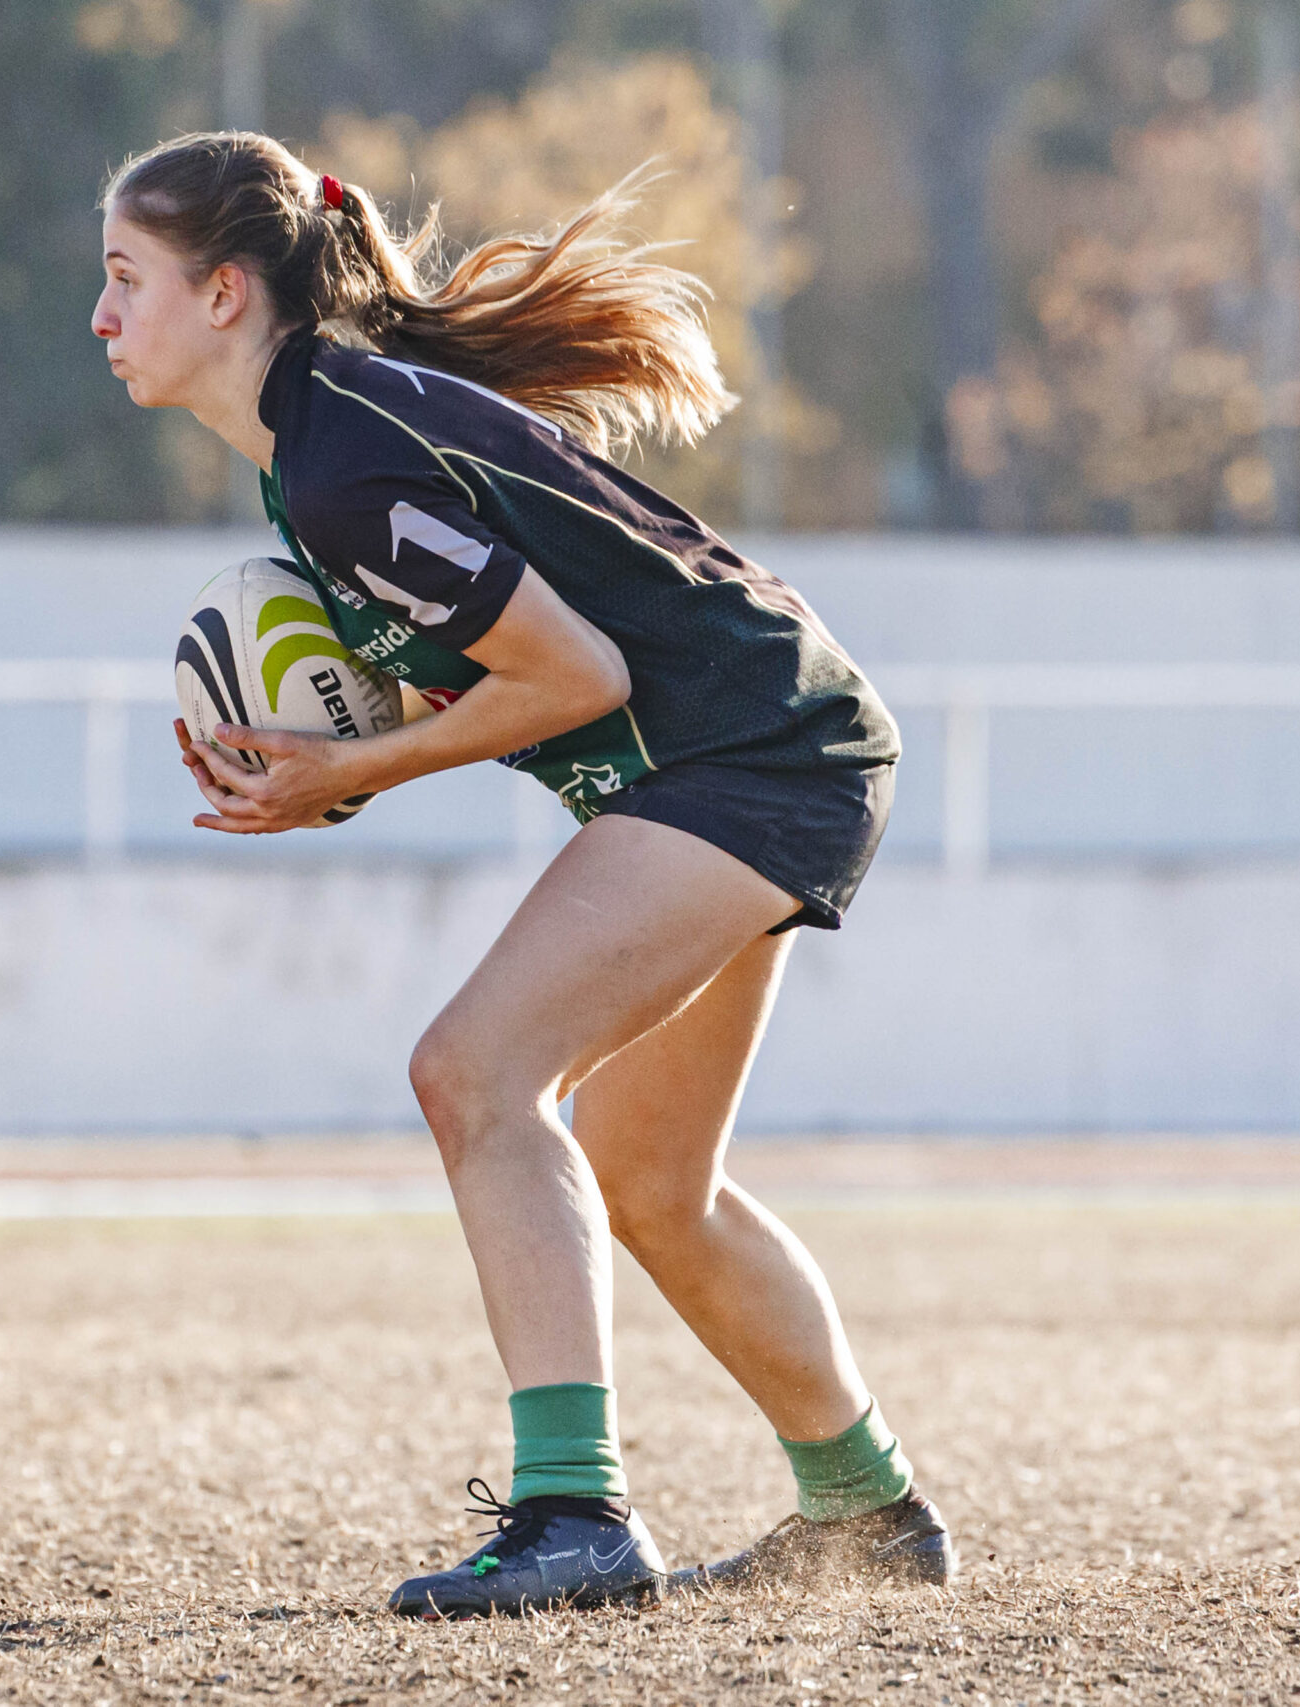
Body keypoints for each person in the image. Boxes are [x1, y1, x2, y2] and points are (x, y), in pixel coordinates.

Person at [92, 132, 954, 1620]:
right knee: (649, 1181)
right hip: (771, 738)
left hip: (751, 753)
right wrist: (322, 778)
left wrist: (345, 769)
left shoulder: (344, 462)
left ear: (225, 291)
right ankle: (870, 1512)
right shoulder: (326, 453)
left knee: (476, 1075)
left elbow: (576, 670)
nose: (101, 318)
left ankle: (574, 1519)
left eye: (123, 279)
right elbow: (507, 671)